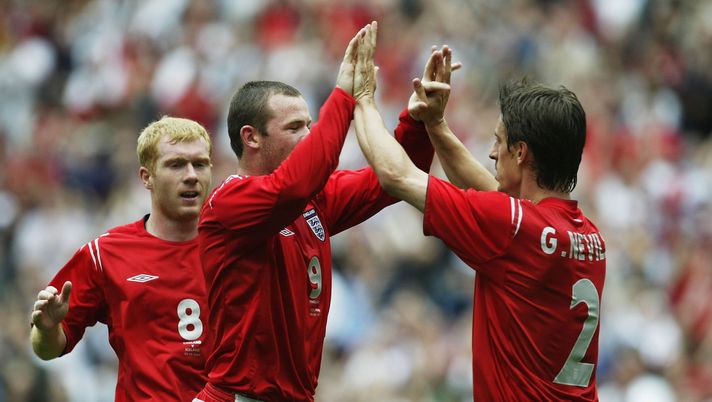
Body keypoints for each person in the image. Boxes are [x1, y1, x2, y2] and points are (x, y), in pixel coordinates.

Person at [194, 22, 441, 402]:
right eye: (295, 127)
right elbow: (296, 181)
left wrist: (419, 122)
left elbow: (394, 178)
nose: (310, 136)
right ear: (251, 137)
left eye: (311, 125)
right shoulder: (231, 202)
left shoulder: (313, 201)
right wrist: (343, 96)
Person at [353, 45, 607, 401]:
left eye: (497, 142)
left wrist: (362, 100)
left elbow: (395, 175)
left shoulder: (512, 225)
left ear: (520, 152)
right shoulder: (589, 236)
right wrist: (436, 125)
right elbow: (486, 190)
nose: (490, 153)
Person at [29, 116, 213, 401]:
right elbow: (46, 349)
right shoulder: (105, 255)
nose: (191, 175)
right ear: (146, 177)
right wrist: (47, 327)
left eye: (200, 163)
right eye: (176, 164)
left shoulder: (235, 247)